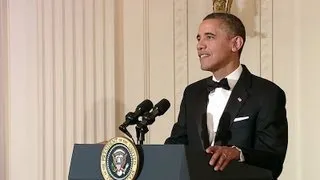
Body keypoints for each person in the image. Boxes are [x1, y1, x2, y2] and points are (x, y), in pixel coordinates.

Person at [165, 12, 288, 179]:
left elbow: (273, 160)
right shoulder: (192, 93)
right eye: (198, 38)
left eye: (209, 37)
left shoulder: (267, 94)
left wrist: (238, 153)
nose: (200, 45)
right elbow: (177, 145)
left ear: (236, 43)